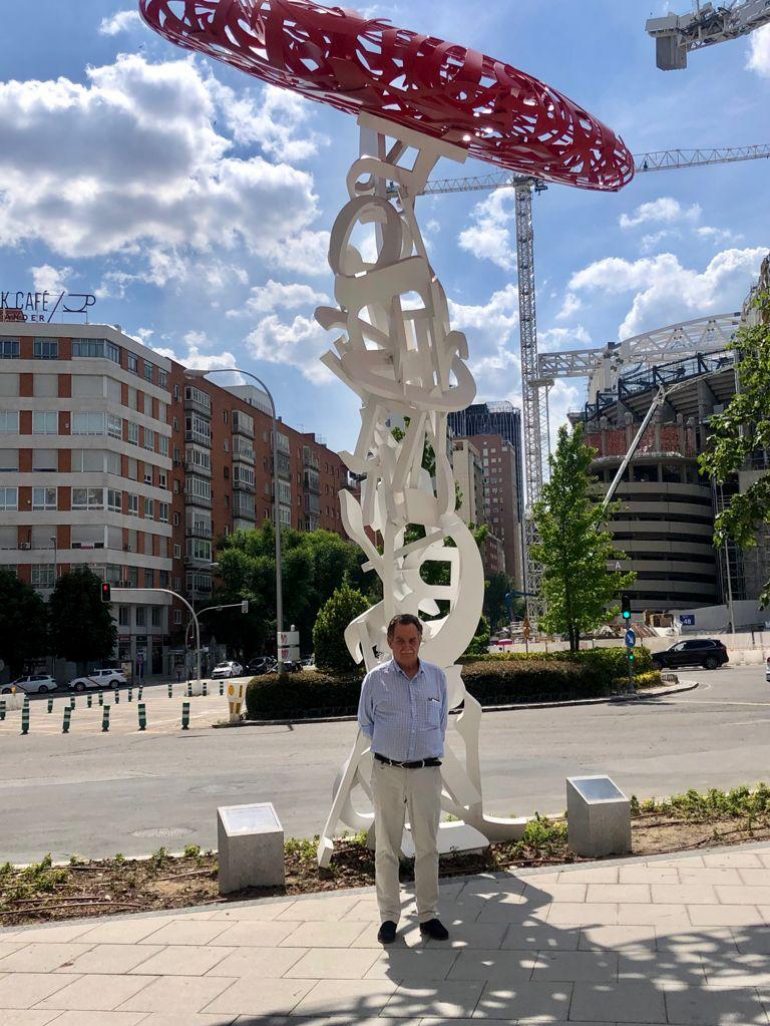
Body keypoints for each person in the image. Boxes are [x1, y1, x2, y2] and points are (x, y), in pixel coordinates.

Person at [357, 613, 449, 945]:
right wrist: (390, 749)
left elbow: (440, 723)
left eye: (412, 640)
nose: (407, 647)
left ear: (420, 641)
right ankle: (389, 918)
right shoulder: (375, 680)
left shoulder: (436, 678)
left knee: (427, 846)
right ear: (390, 642)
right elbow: (366, 723)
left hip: (426, 772)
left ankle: (428, 914)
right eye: (400, 641)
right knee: (387, 847)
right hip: (388, 773)